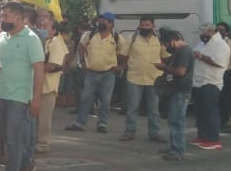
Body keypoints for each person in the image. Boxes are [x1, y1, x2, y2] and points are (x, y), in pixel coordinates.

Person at [0, 2, 43, 171]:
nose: (1, 19)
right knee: (4, 137)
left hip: (19, 98)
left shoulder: (31, 39)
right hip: (1, 94)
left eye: (5, 16)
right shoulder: (1, 37)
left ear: (19, 18)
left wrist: (36, 98)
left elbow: (39, 70)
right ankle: (23, 164)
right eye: (1, 15)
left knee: (13, 139)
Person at [64, 11, 122, 133]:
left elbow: (124, 53)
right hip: (91, 73)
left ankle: (102, 123)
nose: (100, 23)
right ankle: (79, 123)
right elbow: (81, 47)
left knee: (105, 101)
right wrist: (83, 62)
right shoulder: (90, 35)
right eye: (100, 21)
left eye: (104, 21)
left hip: (108, 74)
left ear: (110, 24)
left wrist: (121, 66)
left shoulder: (117, 38)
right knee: (85, 99)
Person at [119, 15, 168, 143]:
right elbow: (123, 55)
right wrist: (129, 65)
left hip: (154, 78)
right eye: (142, 25)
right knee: (132, 107)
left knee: (154, 109)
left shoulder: (159, 40)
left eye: (147, 25)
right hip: (135, 78)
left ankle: (154, 133)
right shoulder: (132, 38)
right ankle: (129, 132)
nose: (144, 27)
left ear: (153, 26)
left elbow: (165, 57)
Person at [154, 29, 193, 161]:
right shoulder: (178, 52)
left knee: (177, 121)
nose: (165, 47)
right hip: (175, 90)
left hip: (181, 91)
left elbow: (181, 71)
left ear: (173, 40)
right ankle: (174, 146)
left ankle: (178, 150)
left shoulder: (184, 51)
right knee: (173, 120)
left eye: (166, 43)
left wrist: (164, 68)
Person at [190, 22, 231, 150]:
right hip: (198, 82)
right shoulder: (202, 44)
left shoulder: (221, 46)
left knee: (210, 112)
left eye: (204, 33)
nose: (202, 36)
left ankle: (214, 139)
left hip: (211, 82)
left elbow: (219, 63)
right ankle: (202, 136)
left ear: (211, 32)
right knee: (200, 112)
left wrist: (201, 56)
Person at [36, 17, 69, 153]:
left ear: (54, 30)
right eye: (41, 25)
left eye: (45, 26)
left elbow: (54, 65)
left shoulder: (56, 42)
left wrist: (36, 67)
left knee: (44, 119)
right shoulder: (46, 42)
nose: (42, 28)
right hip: (41, 86)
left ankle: (42, 145)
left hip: (48, 87)